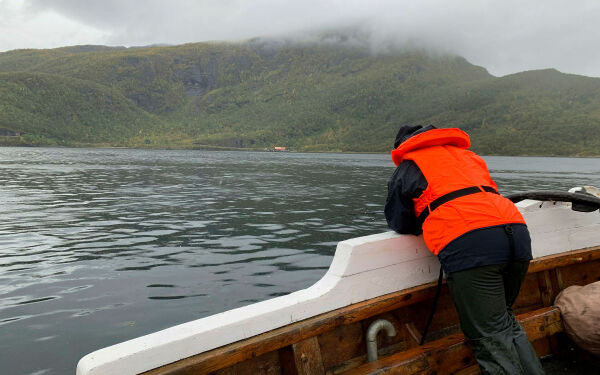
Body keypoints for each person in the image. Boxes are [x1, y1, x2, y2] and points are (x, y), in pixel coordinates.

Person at [384, 125, 545, 375]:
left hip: (473, 244)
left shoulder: (409, 166)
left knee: (489, 336)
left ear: (402, 146)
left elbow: (399, 221)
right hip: (516, 233)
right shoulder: (468, 158)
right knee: (505, 322)